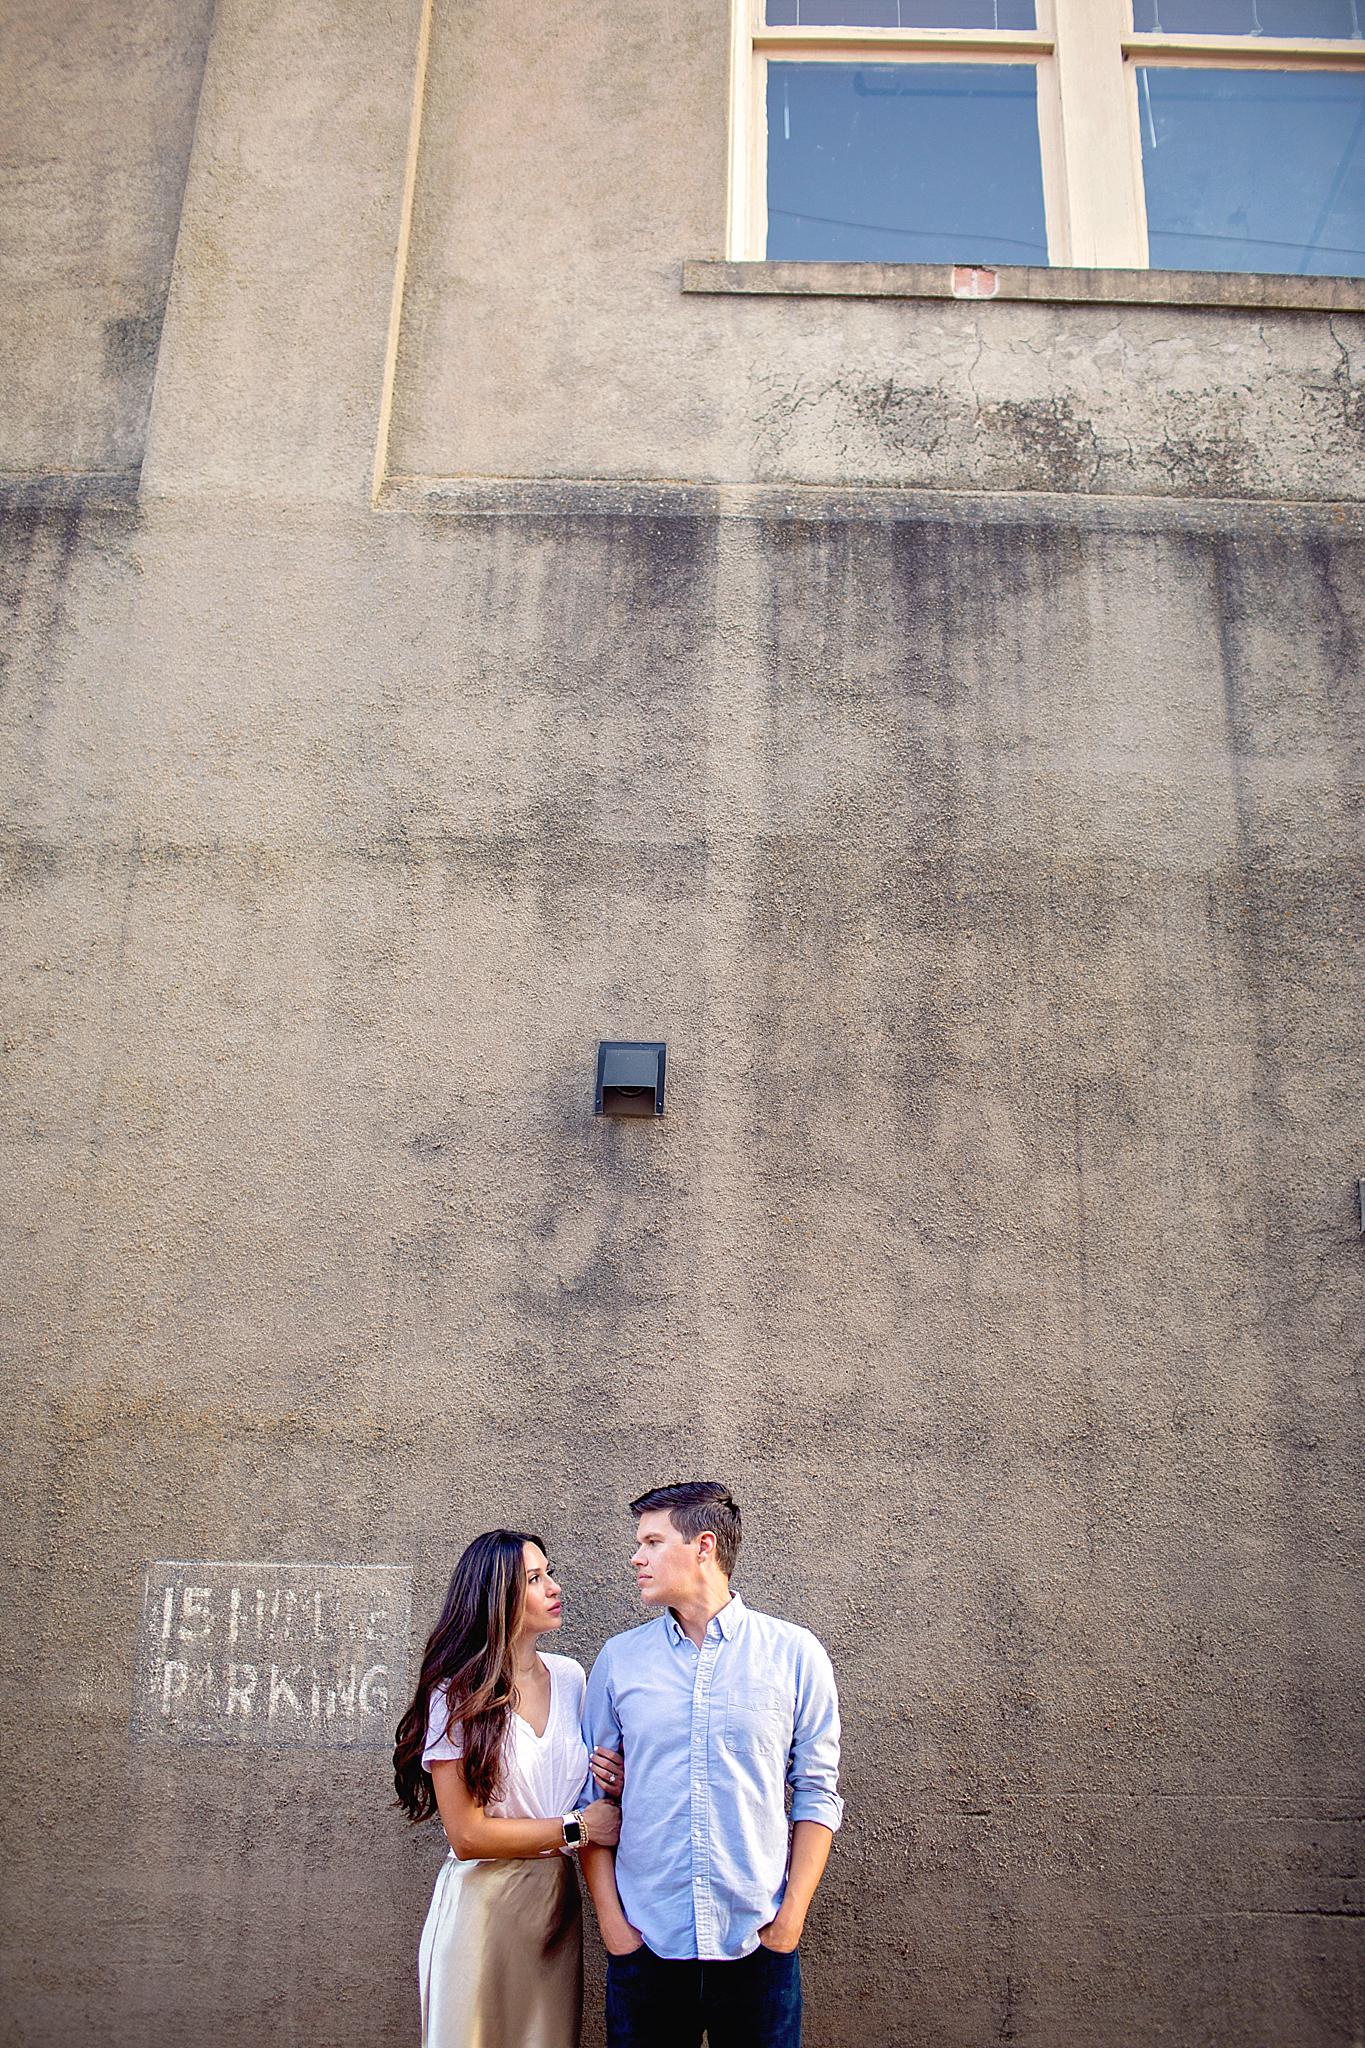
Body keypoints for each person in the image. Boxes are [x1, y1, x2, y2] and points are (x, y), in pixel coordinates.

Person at [581, 1481, 843, 2048]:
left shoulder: (795, 1655)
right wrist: (613, 1925)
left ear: (703, 1546)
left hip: (757, 1942)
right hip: (647, 1943)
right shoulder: (619, 1661)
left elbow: (818, 1792)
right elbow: (590, 1804)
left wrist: (791, 1916)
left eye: (652, 1542)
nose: (636, 1557)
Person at [393, 1528, 624, 2048]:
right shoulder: (455, 1695)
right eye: (535, 1579)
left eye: (549, 1573)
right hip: (483, 1908)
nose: (554, 1587)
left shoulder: (571, 1678)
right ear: (496, 1596)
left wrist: (618, 1780)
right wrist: (581, 1828)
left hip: (553, 1906)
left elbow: (581, 1775)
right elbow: (467, 1837)